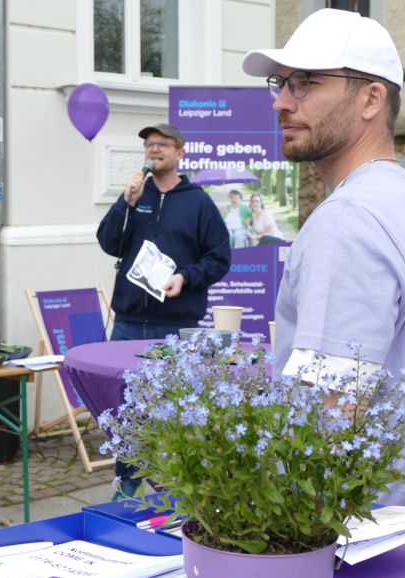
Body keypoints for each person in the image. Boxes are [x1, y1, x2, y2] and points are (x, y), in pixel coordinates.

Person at [242, 8, 405, 544]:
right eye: (281, 83)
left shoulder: (351, 219)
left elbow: (324, 417)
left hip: (357, 540)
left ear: (371, 98)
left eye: (306, 82)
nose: (281, 101)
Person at [96, 122, 231, 498]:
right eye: (149, 145)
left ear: (179, 152)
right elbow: (109, 243)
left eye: (161, 144)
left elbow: (219, 258)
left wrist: (186, 277)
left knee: (171, 407)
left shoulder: (198, 202)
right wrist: (126, 202)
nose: (153, 150)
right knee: (125, 407)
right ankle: (126, 487)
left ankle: (175, 490)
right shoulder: (137, 194)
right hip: (127, 321)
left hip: (174, 323)